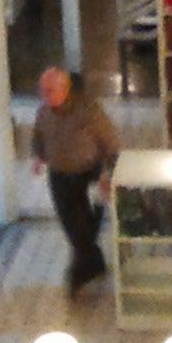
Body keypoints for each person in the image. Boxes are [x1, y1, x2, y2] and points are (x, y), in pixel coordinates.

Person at [29, 65, 118, 297]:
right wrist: (39, 156)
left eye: (50, 91)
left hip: (90, 175)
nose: (45, 96)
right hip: (59, 176)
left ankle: (80, 272)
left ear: (65, 89)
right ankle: (92, 264)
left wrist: (108, 173)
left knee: (86, 228)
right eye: (43, 91)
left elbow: (111, 143)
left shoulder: (89, 111)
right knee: (71, 226)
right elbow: (38, 137)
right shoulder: (43, 113)